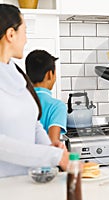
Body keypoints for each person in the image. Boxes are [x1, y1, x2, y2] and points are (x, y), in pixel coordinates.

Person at [0, 4, 69, 177]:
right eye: (25, 31)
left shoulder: (15, 72)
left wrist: (49, 147)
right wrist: (55, 156)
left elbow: (33, 122)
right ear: (11, 34)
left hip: (25, 182)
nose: (26, 39)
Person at [25, 50, 67, 144]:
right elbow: (53, 144)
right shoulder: (57, 106)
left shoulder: (20, 100)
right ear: (49, 74)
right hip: (43, 157)